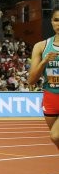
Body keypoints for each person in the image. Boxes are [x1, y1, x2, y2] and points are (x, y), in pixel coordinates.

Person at [27, 8, 59, 149]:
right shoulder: (41, 46)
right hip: (51, 97)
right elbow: (31, 81)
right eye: (56, 20)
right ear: (51, 22)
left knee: (55, 135)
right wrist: (44, 61)